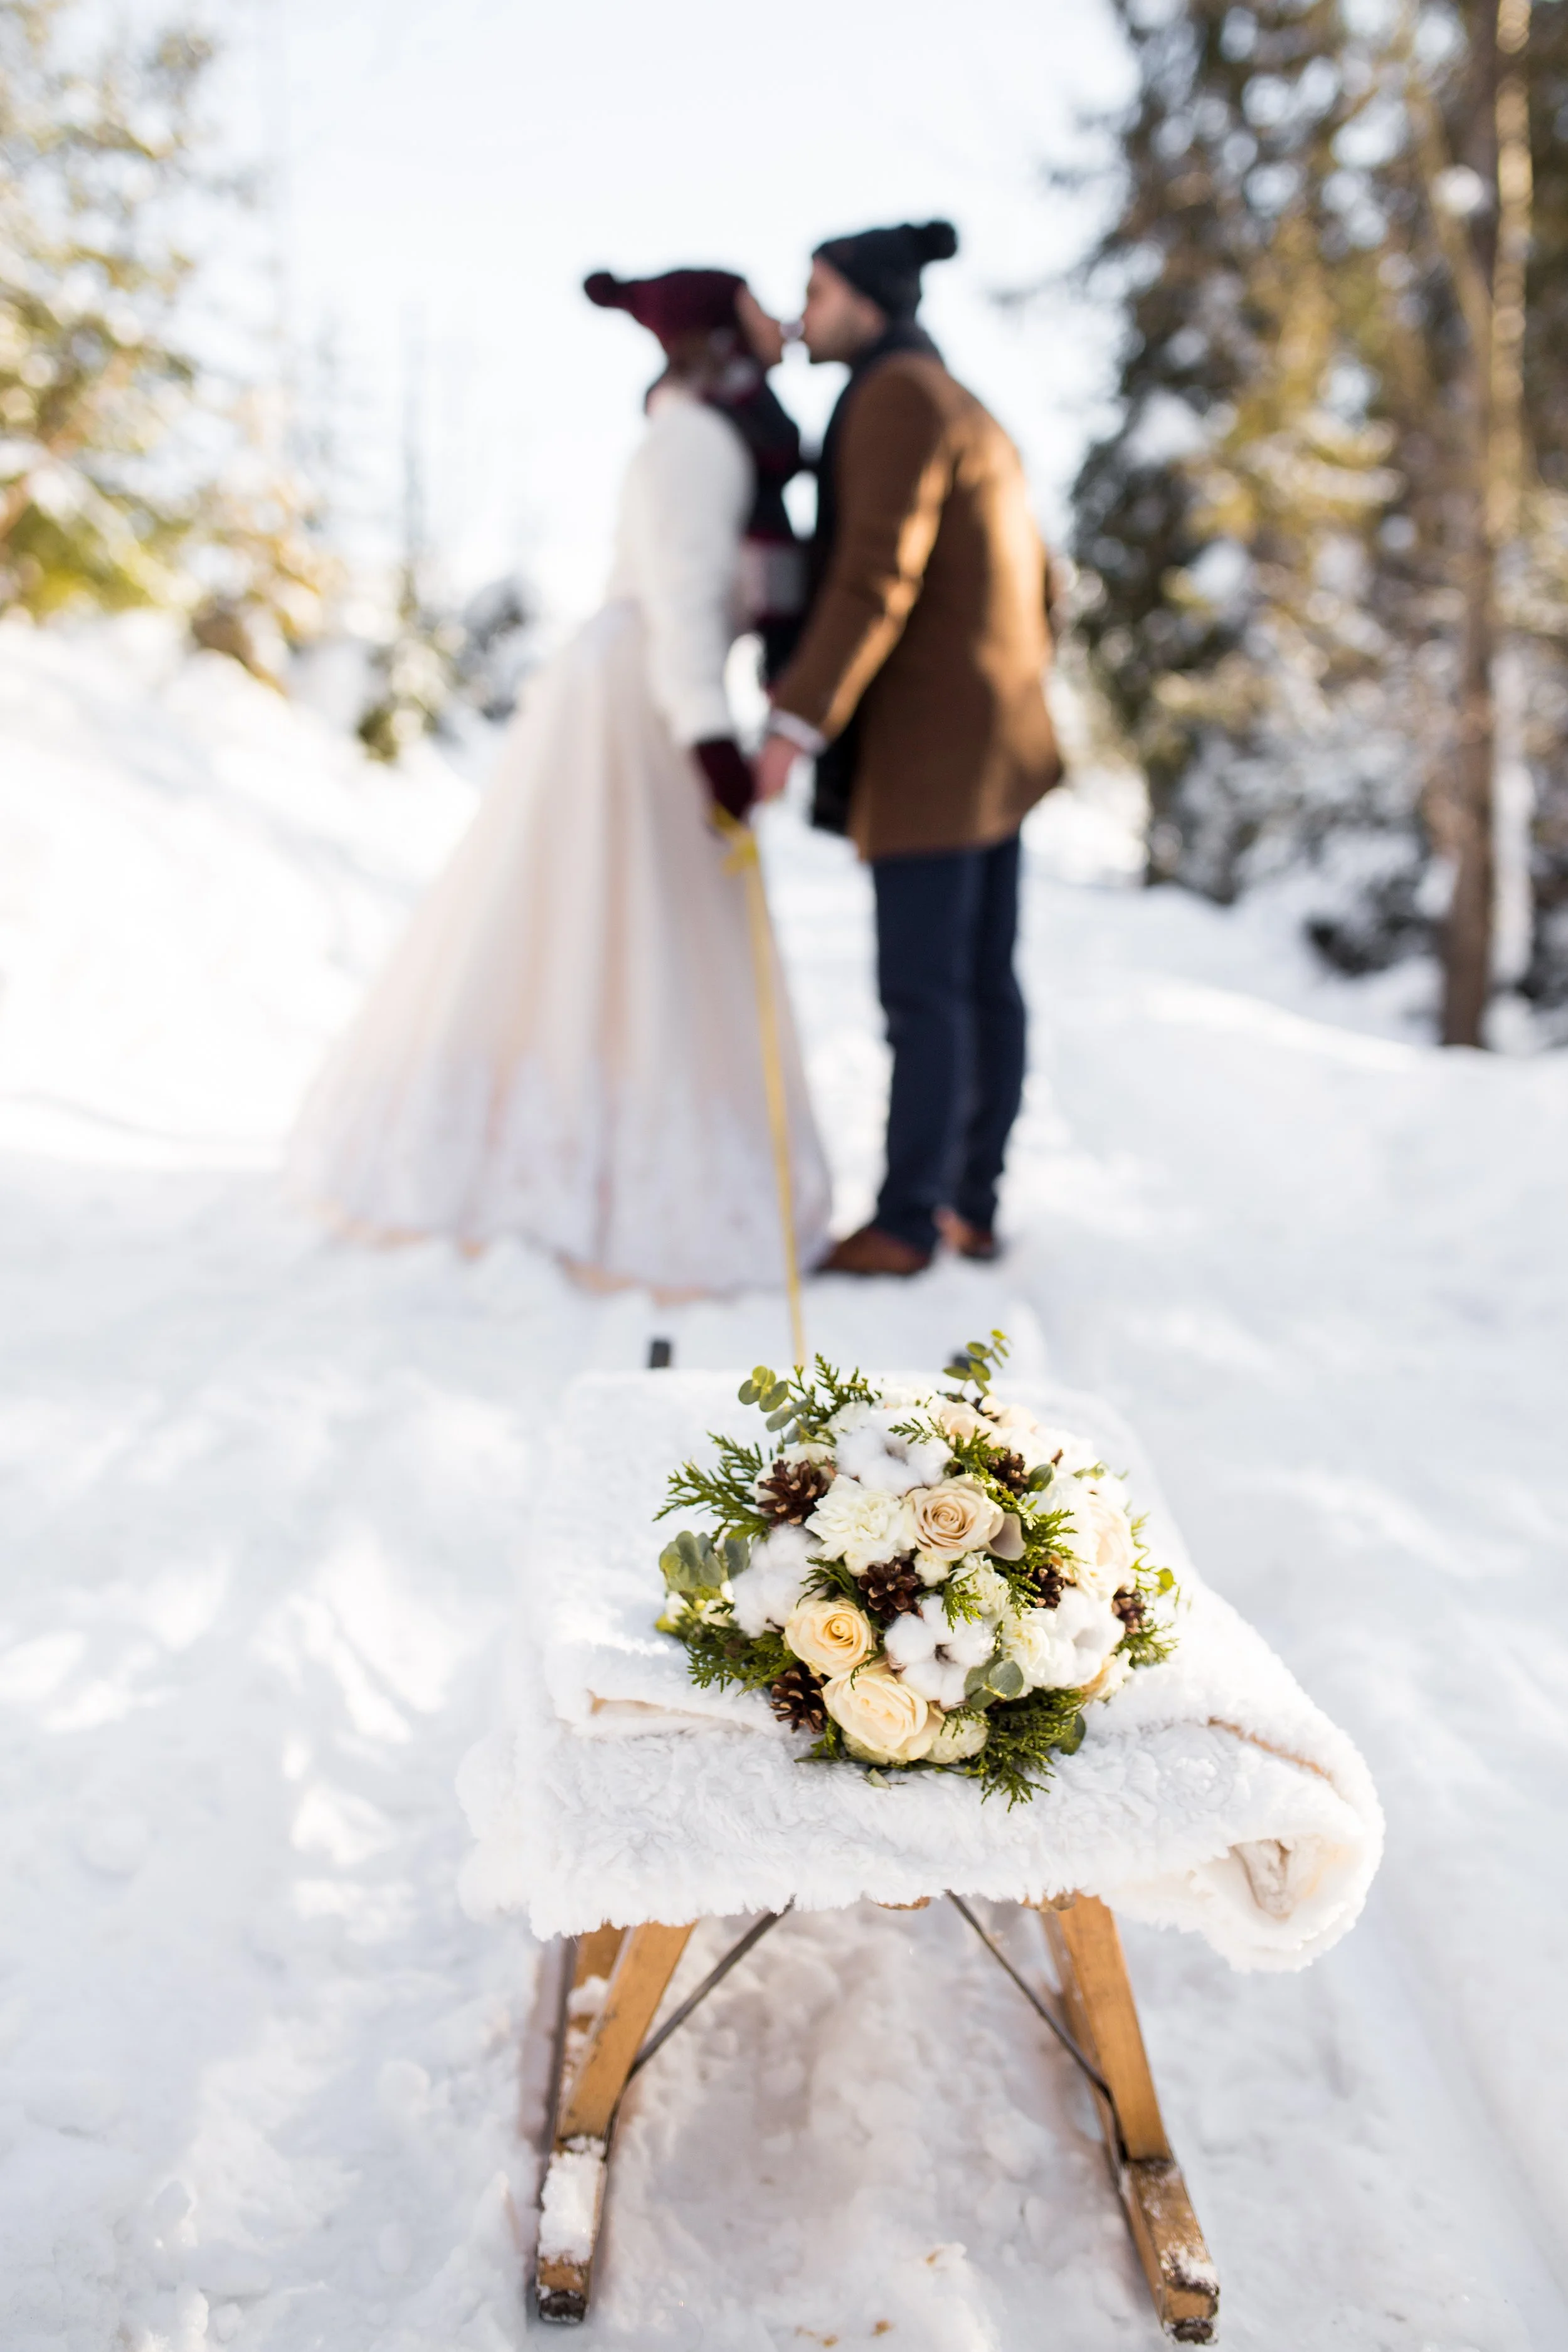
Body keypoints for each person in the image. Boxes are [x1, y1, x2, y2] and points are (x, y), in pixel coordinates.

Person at [286, 268, 831, 1296]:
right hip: (642, 706)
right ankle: (572, 1179)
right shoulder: (697, 443)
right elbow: (682, 603)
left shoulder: (717, 439)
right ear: (721, 333)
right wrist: (713, 745)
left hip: (648, 693)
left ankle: (588, 1164)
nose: (777, 319)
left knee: (624, 932)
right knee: (619, 930)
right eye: (754, 305)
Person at [755, 221, 1061, 1277]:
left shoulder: (893, 398)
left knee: (925, 993)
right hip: (999, 740)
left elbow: (873, 576)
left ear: (867, 302)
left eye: (817, 293)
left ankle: (906, 1221)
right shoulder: (962, 400)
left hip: (936, 753)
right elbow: (1046, 581)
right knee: (982, 983)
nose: (802, 316)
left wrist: (794, 723)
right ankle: (970, 1203)